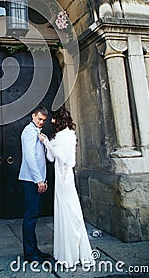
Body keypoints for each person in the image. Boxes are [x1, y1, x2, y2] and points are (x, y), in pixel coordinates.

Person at [39, 106, 94, 269]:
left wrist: (48, 143)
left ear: (59, 119)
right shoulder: (59, 135)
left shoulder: (68, 135)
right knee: (62, 211)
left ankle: (74, 253)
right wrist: (47, 144)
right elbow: (51, 158)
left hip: (65, 178)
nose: (52, 121)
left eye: (54, 118)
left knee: (69, 211)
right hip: (59, 177)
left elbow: (63, 157)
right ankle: (64, 252)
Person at [18, 106, 51, 262]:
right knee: (30, 217)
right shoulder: (29, 132)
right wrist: (38, 180)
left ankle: (34, 250)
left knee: (34, 215)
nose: (41, 122)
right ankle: (30, 254)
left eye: (44, 120)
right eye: (39, 119)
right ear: (33, 116)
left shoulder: (38, 132)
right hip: (31, 180)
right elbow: (30, 158)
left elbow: (41, 158)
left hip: (38, 180)